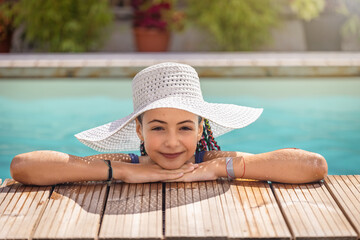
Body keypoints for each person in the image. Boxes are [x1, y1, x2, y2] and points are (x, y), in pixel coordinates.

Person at [10, 62, 327, 186]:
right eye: (158, 127)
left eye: (185, 127)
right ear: (139, 130)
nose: (173, 142)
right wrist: (120, 171)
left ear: (201, 129)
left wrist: (218, 170)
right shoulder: (127, 161)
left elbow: (314, 165)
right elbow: (24, 167)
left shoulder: (211, 161)